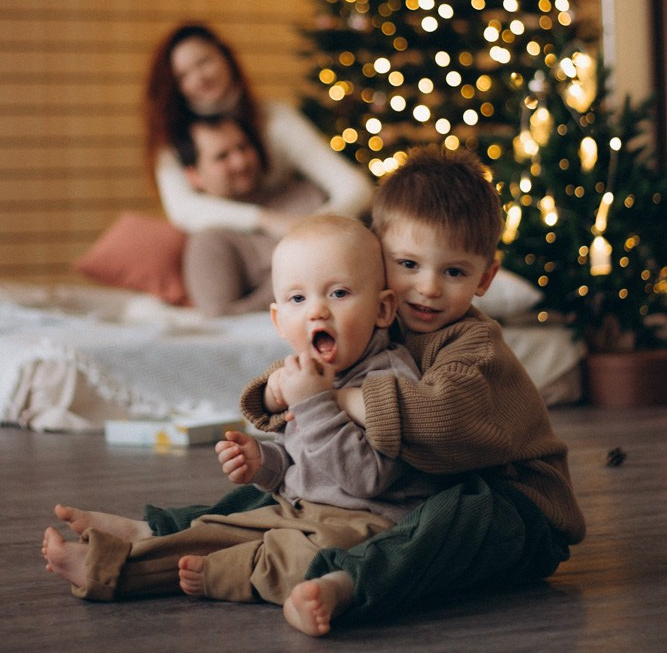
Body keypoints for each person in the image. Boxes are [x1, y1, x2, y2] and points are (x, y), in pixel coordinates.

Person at [45, 148, 586, 636]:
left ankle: (346, 586)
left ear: (485, 278)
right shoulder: (380, 323)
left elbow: (441, 419)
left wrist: (337, 401)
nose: (427, 287)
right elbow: (305, 375)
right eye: (407, 265)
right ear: (380, 271)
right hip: (417, 486)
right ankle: (154, 531)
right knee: (285, 485)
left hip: (514, 503)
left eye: (454, 271)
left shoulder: (475, 346)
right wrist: (278, 397)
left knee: (454, 521)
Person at [42, 215, 443, 632]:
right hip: (298, 511)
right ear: (278, 321)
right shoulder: (307, 376)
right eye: (297, 299)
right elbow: (298, 466)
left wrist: (315, 404)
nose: (317, 311)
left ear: (382, 309)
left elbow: (365, 479)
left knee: (302, 559)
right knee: (217, 530)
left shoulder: (388, 380)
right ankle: (111, 553)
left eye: (339, 293)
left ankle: (133, 574)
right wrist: (263, 463)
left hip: (365, 525)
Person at [144, 22, 373, 239]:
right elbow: (183, 211)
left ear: (225, 57)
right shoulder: (171, 143)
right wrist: (265, 219)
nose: (200, 78)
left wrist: (314, 228)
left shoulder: (276, 120)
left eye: (204, 61)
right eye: (183, 75)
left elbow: (354, 186)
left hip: (291, 236)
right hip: (226, 243)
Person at [175, 113, 324, 316]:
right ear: (195, 176)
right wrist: (299, 279)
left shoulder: (309, 193)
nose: (240, 162)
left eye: (243, 147)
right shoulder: (210, 239)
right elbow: (221, 317)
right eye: (222, 156)